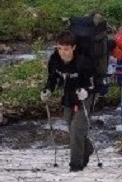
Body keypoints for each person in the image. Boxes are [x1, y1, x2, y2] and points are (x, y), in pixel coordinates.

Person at [40, 31, 94, 172]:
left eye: (66, 49)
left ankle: (75, 166)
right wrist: (47, 90)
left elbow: (93, 83)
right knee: (72, 129)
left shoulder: (83, 61)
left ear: (73, 48)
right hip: (68, 96)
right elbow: (52, 78)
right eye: (60, 48)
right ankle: (87, 148)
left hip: (85, 97)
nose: (62, 52)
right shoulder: (55, 59)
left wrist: (86, 91)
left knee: (76, 129)